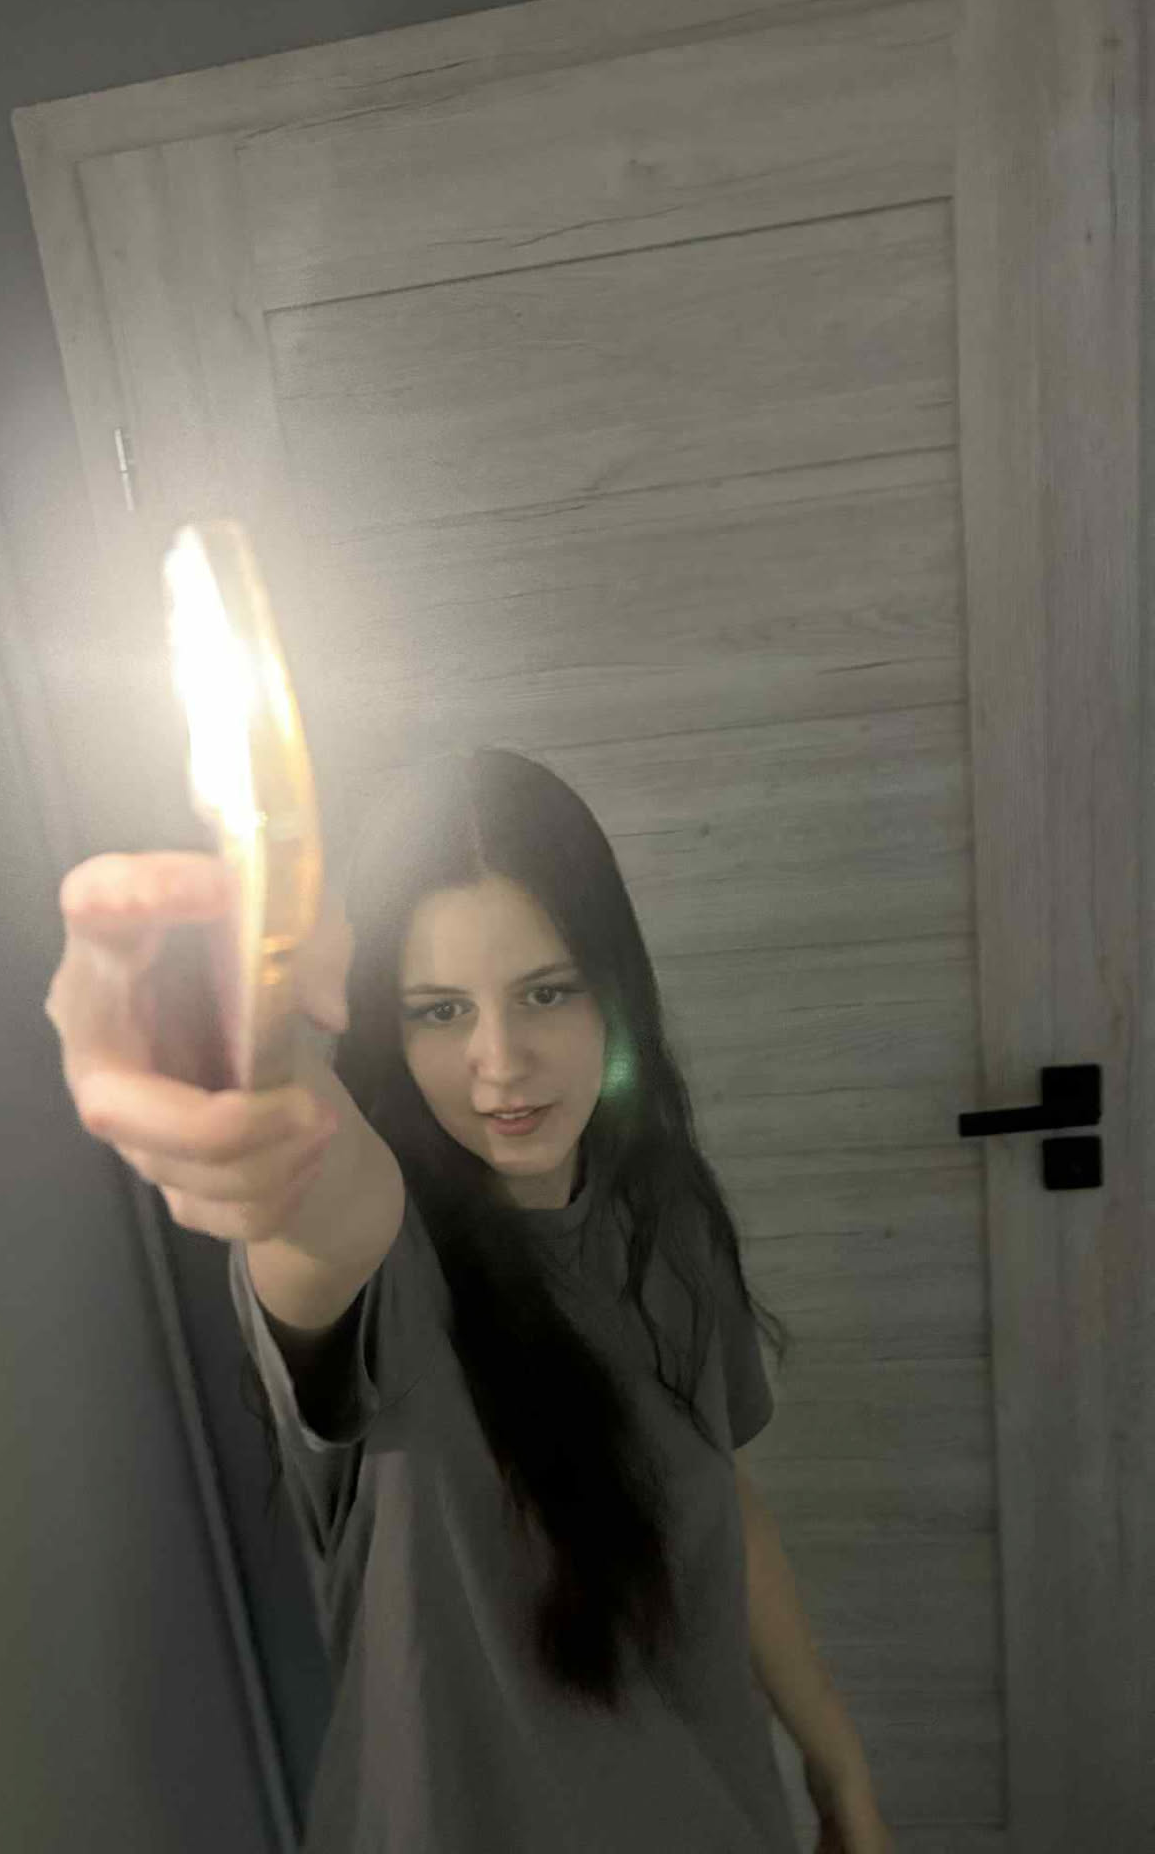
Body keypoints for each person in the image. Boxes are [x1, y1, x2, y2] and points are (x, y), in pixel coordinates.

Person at [44, 746, 890, 1854]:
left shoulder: (668, 1220)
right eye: (441, 1011)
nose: (501, 1061)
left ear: (615, 989)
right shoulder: (385, 1253)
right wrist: (245, 1060)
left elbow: (718, 1497)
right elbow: (309, 1178)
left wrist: (838, 1765)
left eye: (546, 991)